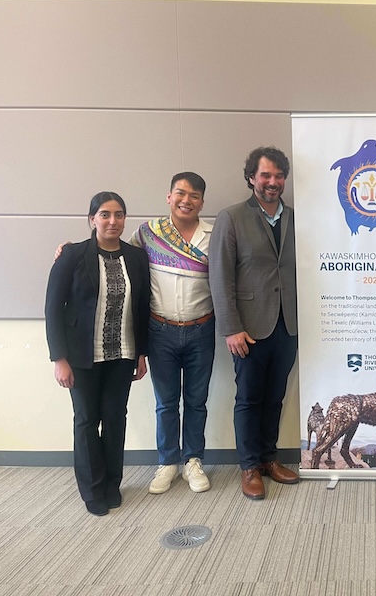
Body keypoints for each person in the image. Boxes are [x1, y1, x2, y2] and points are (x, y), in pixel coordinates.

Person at [45, 192, 150, 516]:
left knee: (115, 419)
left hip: (122, 355)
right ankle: (92, 489)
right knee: (87, 421)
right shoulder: (72, 255)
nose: (112, 221)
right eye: (105, 215)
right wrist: (59, 358)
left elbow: (142, 306)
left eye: (119, 215)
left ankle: (111, 484)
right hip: (81, 357)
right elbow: (53, 308)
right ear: (92, 219)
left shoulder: (135, 257)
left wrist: (141, 354)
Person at [209, 146, 299, 500]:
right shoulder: (231, 218)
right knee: (249, 398)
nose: (273, 182)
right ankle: (248, 467)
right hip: (248, 328)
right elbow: (220, 277)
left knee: (275, 397)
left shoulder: (294, 218)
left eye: (278, 176)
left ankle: (268, 459)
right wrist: (230, 327)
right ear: (251, 178)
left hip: (287, 325)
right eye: (265, 175)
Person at [130, 173, 215, 495]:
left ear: (202, 202)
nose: (186, 200)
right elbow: (119, 257)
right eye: (180, 193)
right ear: (169, 197)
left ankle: (193, 460)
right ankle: (167, 462)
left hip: (202, 329)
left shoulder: (214, 233)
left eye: (194, 195)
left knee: (197, 401)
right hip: (160, 331)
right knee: (166, 403)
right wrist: (71, 249)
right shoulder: (149, 234)